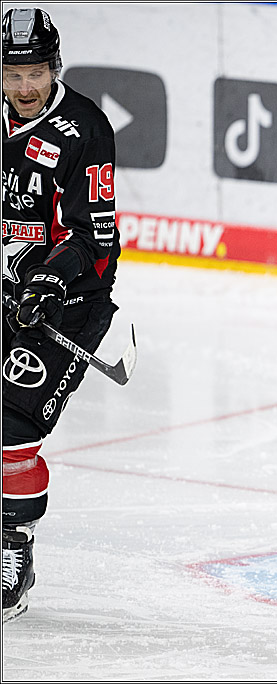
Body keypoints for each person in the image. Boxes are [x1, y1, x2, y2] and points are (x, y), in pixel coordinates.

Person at [3, 7, 122, 623]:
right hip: (5, 293)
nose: (26, 87)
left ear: (55, 68)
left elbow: (94, 237)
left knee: (11, 433)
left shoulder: (85, 129)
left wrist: (45, 283)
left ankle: (12, 554)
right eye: (13, 72)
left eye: (36, 72)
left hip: (67, 305)